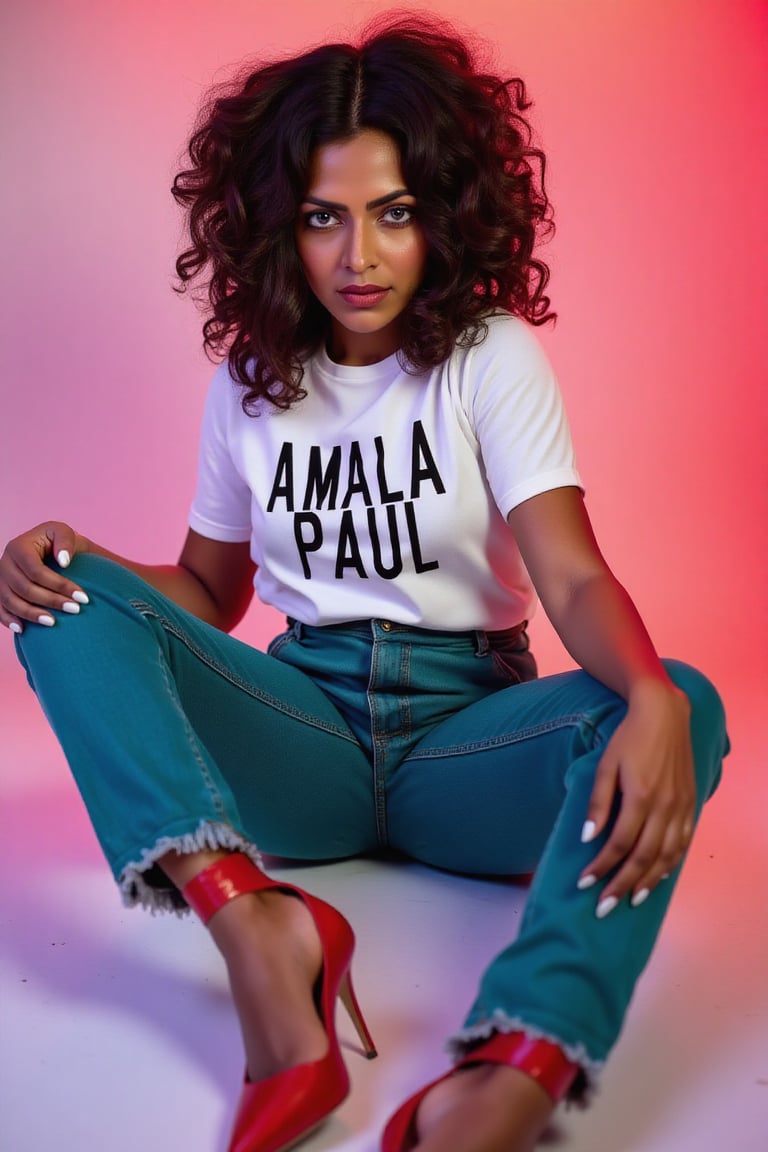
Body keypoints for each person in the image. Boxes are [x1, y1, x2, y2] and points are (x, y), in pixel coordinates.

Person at [0, 13, 728, 1152]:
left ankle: (516, 1067)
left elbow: (573, 575)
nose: (360, 256)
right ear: (273, 230)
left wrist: (646, 694)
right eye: (322, 219)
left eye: (393, 214)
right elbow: (207, 590)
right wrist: (85, 567)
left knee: (685, 702)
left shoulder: (488, 354)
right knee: (65, 596)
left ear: (442, 213)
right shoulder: (251, 386)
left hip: (469, 736)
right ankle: (262, 937)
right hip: (306, 732)